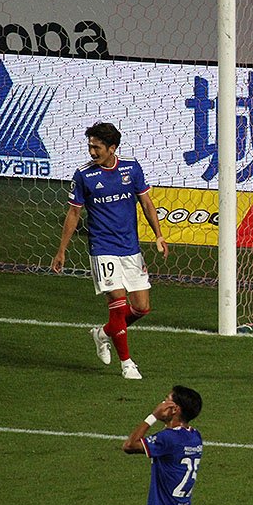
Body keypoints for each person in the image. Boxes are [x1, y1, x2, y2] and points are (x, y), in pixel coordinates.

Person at [51, 122, 169, 380]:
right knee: (117, 304)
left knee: (141, 308)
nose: (92, 152)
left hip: (130, 247)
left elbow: (146, 202)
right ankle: (127, 363)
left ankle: (103, 333)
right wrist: (62, 251)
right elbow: (74, 214)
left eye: (97, 147)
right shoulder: (84, 175)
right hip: (102, 247)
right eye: (90, 147)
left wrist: (158, 235)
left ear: (112, 148)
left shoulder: (131, 168)